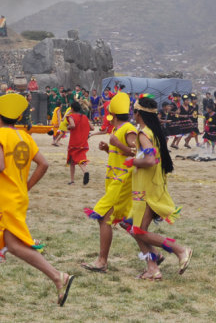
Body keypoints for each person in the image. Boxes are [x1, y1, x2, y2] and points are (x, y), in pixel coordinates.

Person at [0, 93, 74, 307]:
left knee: (13, 245)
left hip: (5, 198)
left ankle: (58, 276)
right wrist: (25, 186)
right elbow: (44, 164)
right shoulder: (24, 137)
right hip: (17, 197)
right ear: (18, 117)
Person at [119, 96, 192, 281]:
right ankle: (152, 268)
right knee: (131, 226)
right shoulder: (153, 132)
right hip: (150, 187)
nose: (132, 115)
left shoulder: (144, 134)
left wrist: (132, 161)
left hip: (146, 190)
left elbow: (150, 160)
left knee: (138, 231)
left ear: (138, 113)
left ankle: (180, 250)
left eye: (133, 111)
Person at [82, 92, 138, 272]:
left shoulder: (128, 129)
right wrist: (108, 148)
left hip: (123, 180)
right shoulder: (116, 130)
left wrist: (118, 144)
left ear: (111, 114)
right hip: (115, 179)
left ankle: (102, 261)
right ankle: (155, 253)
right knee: (123, 221)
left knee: (104, 217)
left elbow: (137, 152)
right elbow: (122, 156)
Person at [66, 101, 91, 185]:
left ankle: (72, 180)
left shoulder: (71, 116)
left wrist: (68, 127)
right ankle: (85, 171)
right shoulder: (84, 117)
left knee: (72, 160)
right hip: (83, 142)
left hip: (74, 142)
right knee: (80, 159)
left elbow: (72, 125)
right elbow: (92, 128)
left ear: (72, 109)